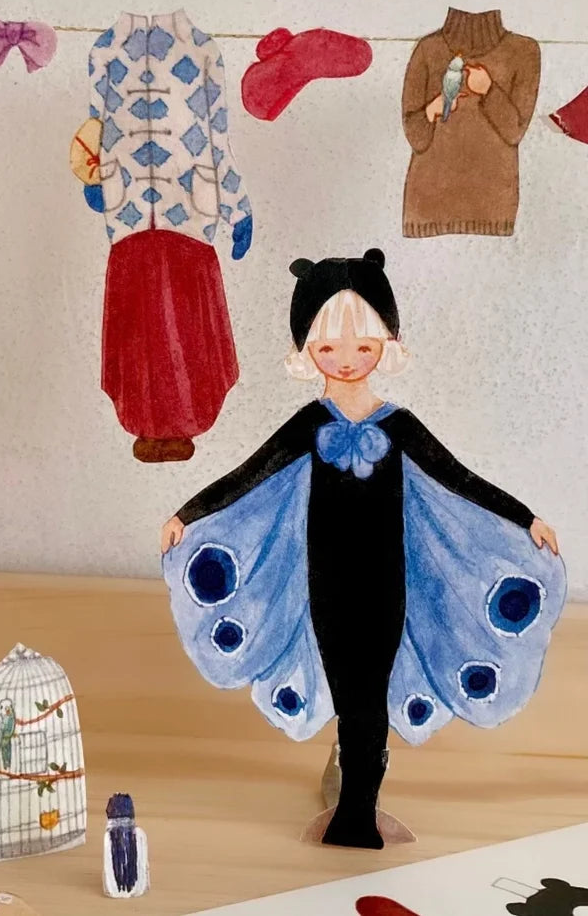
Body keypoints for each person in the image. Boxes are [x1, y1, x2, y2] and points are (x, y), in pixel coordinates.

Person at [161, 248, 564, 850]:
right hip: (324, 580)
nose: (347, 360)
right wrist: (187, 515)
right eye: (329, 347)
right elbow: (249, 473)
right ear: (307, 351)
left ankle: (358, 812)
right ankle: (353, 808)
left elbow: (459, 477)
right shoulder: (308, 423)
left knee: (369, 696)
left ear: (385, 344)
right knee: (348, 692)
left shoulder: (399, 425)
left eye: (362, 345)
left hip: (386, 580)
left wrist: (525, 517)